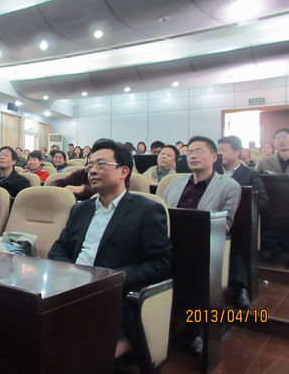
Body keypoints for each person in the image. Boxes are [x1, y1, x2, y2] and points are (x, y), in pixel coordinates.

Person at [48, 139, 171, 363]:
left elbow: (161, 264)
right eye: (90, 165)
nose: (92, 170)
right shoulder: (80, 209)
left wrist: (110, 278)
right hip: (70, 288)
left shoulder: (147, 211)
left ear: (124, 171)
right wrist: (70, 272)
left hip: (112, 295)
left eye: (101, 164)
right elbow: (59, 247)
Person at [162, 136, 241, 354]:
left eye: (199, 151)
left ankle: (194, 330)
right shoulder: (175, 182)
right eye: (190, 152)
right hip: (170, 242)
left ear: (214, 157)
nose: (193, 156)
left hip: (203, 245)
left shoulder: (229, 186)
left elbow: (226, 224)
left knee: (194, 265)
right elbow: (161, 214)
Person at [218, 135, 269, 309]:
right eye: (218, 150)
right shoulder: (213, 173)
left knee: (237, 241)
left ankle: (241, 288)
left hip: (241, 224)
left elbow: (262, 202)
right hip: (216, 220)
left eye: (224, 150)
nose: (220, 154)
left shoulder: (250, 174)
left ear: (237, 152)